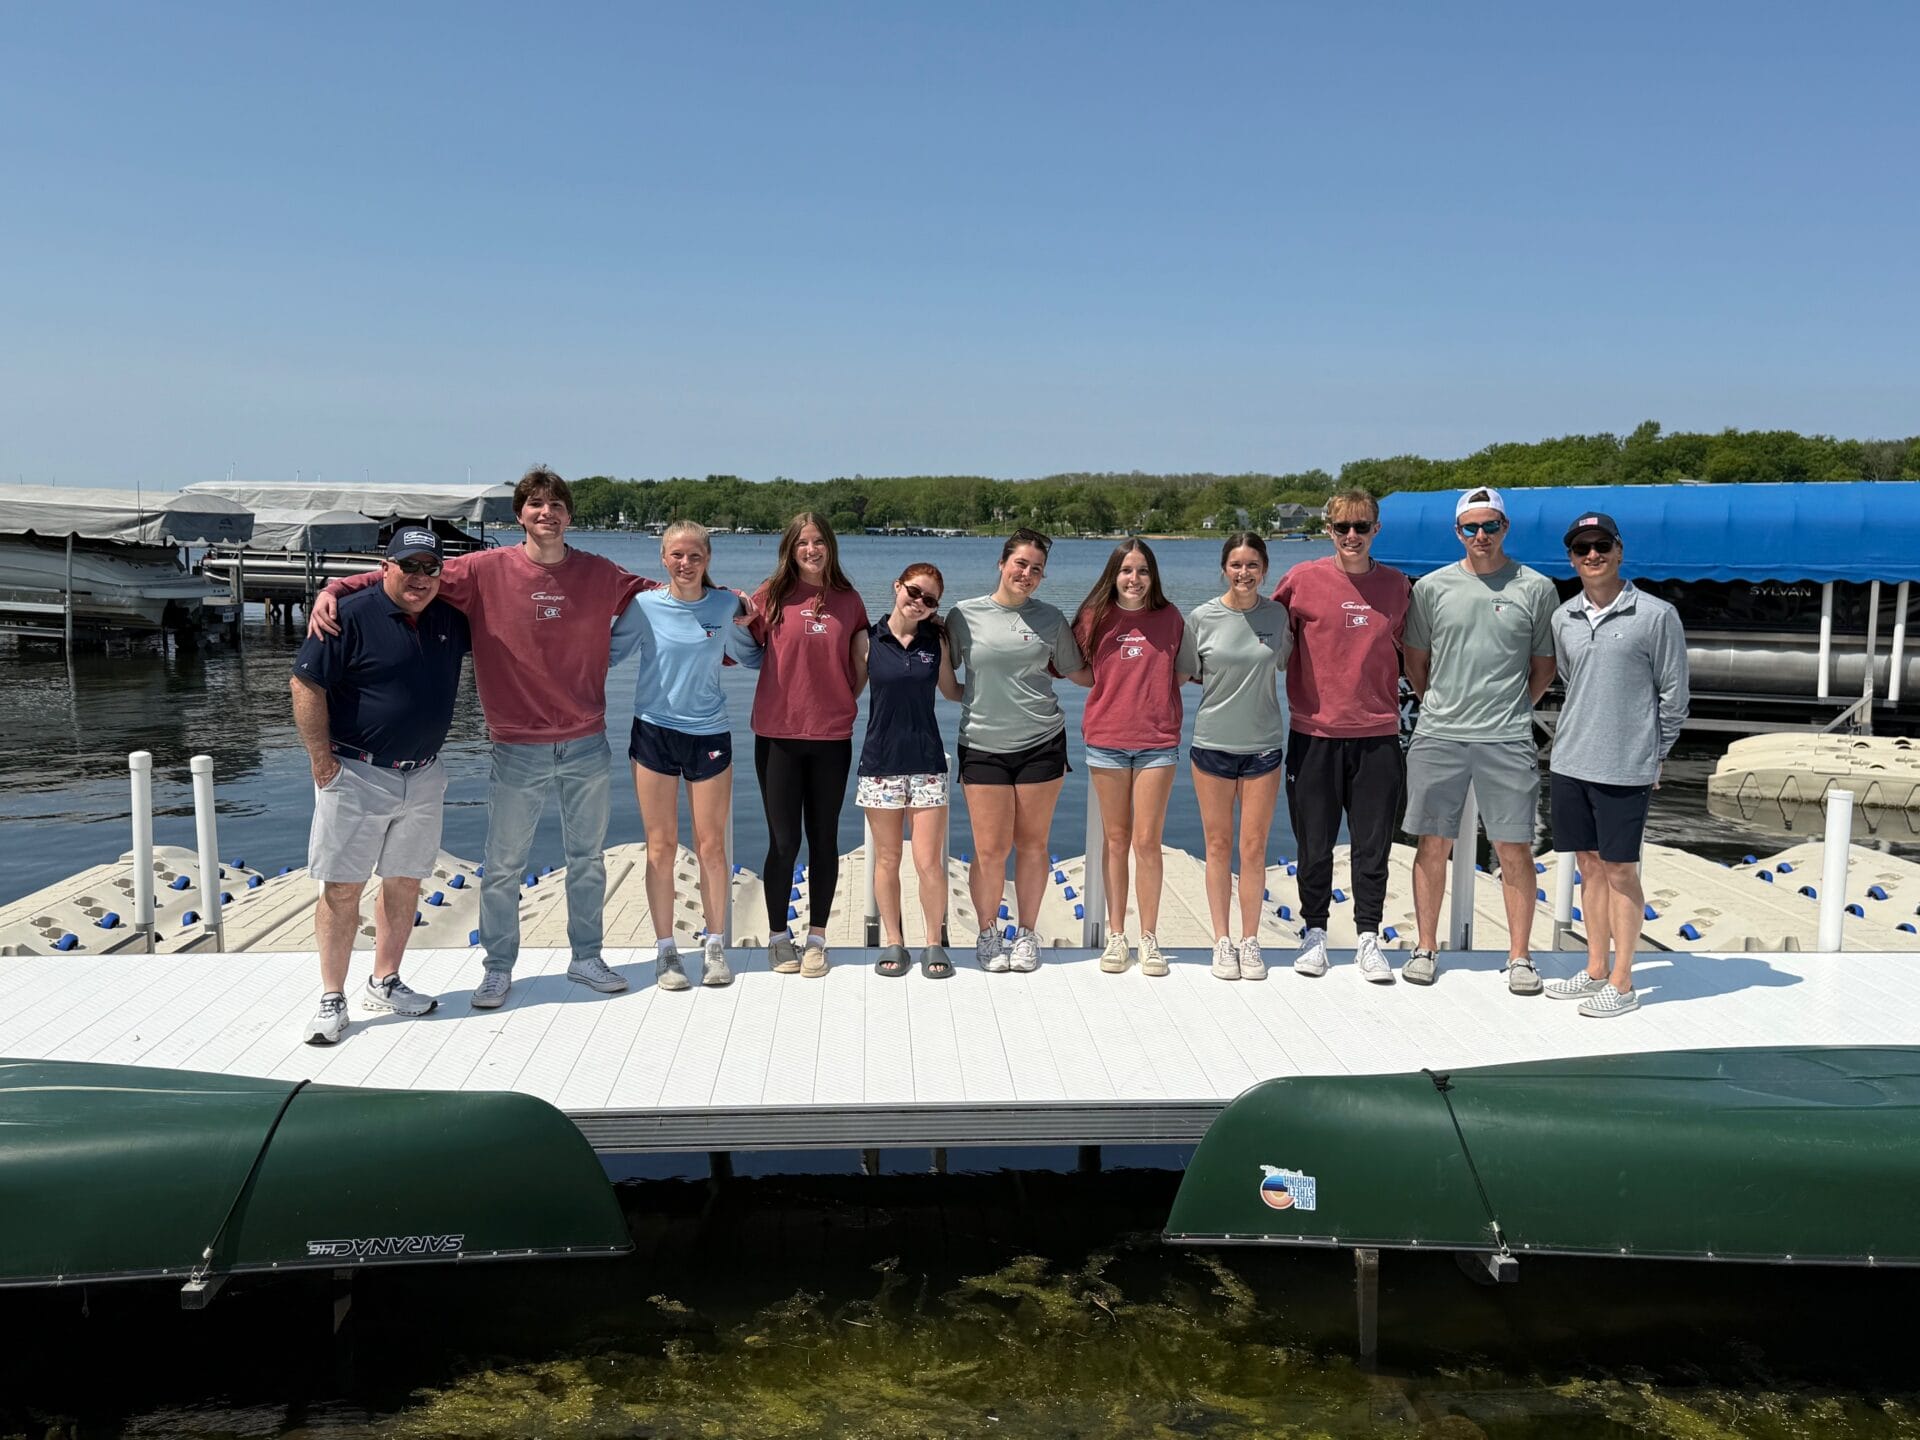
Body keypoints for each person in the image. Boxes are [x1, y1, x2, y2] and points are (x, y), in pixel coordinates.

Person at [309, 466, 653, 1009]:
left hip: (587, 741)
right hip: (516, 745)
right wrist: (335, 587)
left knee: (587, 858)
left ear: (569, 515)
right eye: (536, 505)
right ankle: (498, 967)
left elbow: (666, 595)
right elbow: (406, 573)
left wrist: (727, 599)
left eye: (557, 505)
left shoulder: (600, 572)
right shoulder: (482, 570)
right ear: (520, 516)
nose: (547, 514)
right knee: (504, 865)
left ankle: (586, 957)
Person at [291, 528, 471, 1044]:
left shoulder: (449, 618)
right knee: (343, 887)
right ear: (385, 566)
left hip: (425, 773)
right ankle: (332, 995)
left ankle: (385, 979)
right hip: (356, 772)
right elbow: (305, 684)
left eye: (429, 568)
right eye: (408, 566)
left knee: (406, 880)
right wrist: (321, 762)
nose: (419, 577)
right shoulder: (346, 614)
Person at [1401, 486, 1559, 992]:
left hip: (1507, 737)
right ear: (1458, 532)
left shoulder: (1536, 588)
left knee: (1515, 848)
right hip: (1440, 733)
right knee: (1431, 844)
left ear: (1505, 529)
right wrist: (1439, 704)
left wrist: (1512, 709)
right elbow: (1416, 663)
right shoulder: (1430, 588)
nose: (1482, 535)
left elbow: (1544, 667)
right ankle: (1426, 947)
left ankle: (1520, 957)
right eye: (1472, 527)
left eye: (1491, 525)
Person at [1546, 510, 1690, 1017]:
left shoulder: (1655, 615)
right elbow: (1570, 679)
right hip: (1569, 761)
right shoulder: (1563, 617)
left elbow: (1674, 697)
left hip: (1625, 767)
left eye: (1601, 545)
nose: (1592, 555)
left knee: (1621, 870)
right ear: (1571, 558)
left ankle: (1624, 982)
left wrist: (1653, 755)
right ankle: (1594, 969)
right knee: (1588, 867)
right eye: (1582, 549)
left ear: (1619, 550)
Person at [612, 521, 763, 991]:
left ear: (708, 560)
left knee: (711, 846)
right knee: (659, 847)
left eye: (694, 556)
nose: (685, 563)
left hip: (710, 733)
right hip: (654, 732)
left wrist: (765, 620)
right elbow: (605, 655)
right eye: (676, 555)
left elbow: (755, 658)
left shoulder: (724, 605)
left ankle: (714, 943)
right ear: (663, 558)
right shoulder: (643, 607)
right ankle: (665, 951)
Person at [1273, 490, 1411, 984]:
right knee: (1314, 841)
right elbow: (1263, 632)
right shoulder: (1302, 580)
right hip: (1314, 733)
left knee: (1373, 844)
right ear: (1328, 530)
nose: (1352, 536)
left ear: (1377, 529)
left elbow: (1418, 653)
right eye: (1342, 527)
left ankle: (1369, 936)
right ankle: (1314, 932)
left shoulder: (1397, 586)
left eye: (1362, 526)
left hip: (1377, 734)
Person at [943, 528, 1088, 973]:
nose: (1027, 573)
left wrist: (1141, 672)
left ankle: (1026, 934)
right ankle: (988, 935)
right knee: (989, 850)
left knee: (1032, 844)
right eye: (1020, 563)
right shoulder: (963, 616)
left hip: (1042, 743)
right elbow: (945, 680)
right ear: (1002, 564)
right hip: (983, 744)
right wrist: (979, 696)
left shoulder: (1050, 619)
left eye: (1036, 569)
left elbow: (1081, 672)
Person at [746, 514, 869, 979]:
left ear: (830, 547)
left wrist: (837, 701)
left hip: (832, 738)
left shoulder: (848, 600)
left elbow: (859, 665)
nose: (812, 549)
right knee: (783, 843)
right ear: (790, 549)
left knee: (824, 841)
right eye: (803, 543)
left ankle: (816, 939)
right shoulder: (771, 595)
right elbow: (740, 642)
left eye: (819, 542)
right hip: (778, 735)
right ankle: (779, 938)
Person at [1177, 533, 1293, 982]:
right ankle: (1221, 940)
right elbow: (1188, 672)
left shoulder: (1277, 616)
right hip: (1212, 744)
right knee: (1218, 845)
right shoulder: (1202, 617)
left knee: (1254, 847)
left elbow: (1286, 662)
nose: (1244, 573)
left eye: (1252, 565)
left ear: (1265, 568)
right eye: (1236, 565)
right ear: (1224, 568)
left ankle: (1250, 940)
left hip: (1264, 744)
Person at [1071, 540, 1183, 978]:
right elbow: (1076, 669)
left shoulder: (1170, 617)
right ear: (1113, 574)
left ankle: (1149, 937)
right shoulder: (1094, 617)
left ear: (1152, 576)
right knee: (1115, 841)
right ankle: (1117, 934)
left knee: (1147, 842)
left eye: (1141, 571)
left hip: (1158, 741)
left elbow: (1181, 669)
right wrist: (1107, 691)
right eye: (1125, 570)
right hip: (1107, 739)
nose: (1133, 579)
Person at [853, 563, 958, 979]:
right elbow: (848, 694)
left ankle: (934, 940)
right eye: (914, 592)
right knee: (888, 859)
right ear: (897, 586)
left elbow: (952, 691)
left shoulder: (938, 641)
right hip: (880, 763)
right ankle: (894, 941)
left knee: (929, 861)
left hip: (927, 762)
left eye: (929, 600)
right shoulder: (866, 639)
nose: (919, 603)